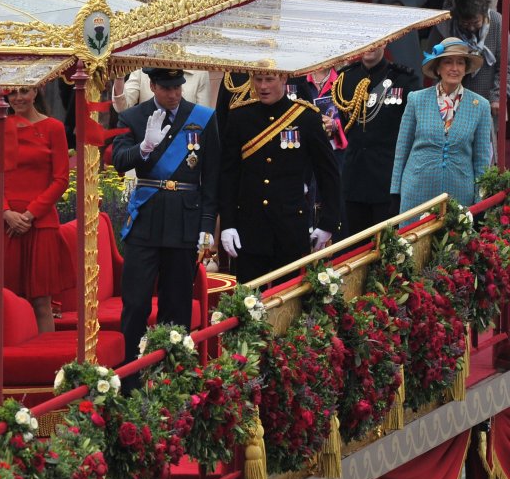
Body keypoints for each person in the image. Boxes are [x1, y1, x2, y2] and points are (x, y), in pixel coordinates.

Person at [111, 69, 219, 377]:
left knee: (177, 305)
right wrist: (143, 147)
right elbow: (119, 159)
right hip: (145, 222)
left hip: (184, 222)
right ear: (152, 85)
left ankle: (174, 378)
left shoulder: (202, 118)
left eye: (178, 86)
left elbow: (211, 177)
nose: (173, 93)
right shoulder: (133, 117)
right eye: (166, 87)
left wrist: (207, 226)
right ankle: (130, 378)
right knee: (135, 304)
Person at [219, 72, 341, 285]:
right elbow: (229, 175)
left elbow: (328, 173)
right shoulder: (240, 117)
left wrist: (328, 222)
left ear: (284, 79)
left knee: (288, 302)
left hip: (289, 226)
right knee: (248, 301)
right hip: (250, 226)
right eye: (258, 80)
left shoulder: (306, 117)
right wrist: (227, 224)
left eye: (269, 80)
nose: (263, 86)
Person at [0, 87, 74, 333]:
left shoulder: (54, 128)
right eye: (12, 93)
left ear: (36, 92)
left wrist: (29, 215)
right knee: (7, 300)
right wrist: (6, 213)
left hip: (40, 223)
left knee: (41, 303)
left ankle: (44, 366)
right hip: (8, 224)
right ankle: (8, 365)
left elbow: (61, 179)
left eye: (24, 92)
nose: (18, 98)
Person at [391, 38, 492, 214]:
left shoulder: (481, 106)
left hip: (459, 195)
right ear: (438, 68)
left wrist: (479, 202)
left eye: (460, 63)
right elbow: (402, 149)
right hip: (416, 193)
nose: (454, 68)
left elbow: (482, 160)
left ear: (466, 69)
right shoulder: (416, 99)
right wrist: (395, 192)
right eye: (448, 62)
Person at [333, 45, 417, 235]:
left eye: (376, 42)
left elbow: (411, 128)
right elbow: (347, 124)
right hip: (354, 179)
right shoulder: (346, 79)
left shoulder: (402, 79)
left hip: (386, 180)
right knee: (353, 249)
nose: (370, 47)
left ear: (385, 42)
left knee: (386, 250)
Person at [426, 0, 502, 110]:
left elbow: (505, 65)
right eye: (465, 23)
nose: (471, 28)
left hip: (487, 97)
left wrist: (497, 96)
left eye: (476, 22)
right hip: (451, 97)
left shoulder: (497, 22)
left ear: (484, 14)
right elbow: (433, 61)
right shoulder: (445, 24)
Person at [113, 68, 213, 113]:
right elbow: (122, 108)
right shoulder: (143, 67)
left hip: (182, 142)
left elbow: (202, 118)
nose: (172, 95)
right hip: (148, 141)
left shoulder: (199, 71)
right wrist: (119, 77)